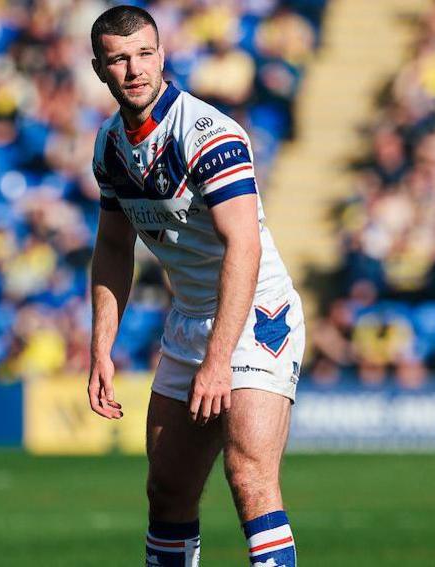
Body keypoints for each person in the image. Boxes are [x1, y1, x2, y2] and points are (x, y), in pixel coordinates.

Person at [86, 6, 305, 566]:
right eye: (119, 59)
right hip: (189, 318)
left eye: (144, 54)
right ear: (99, 69)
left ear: (161, 55)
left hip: (257, 313)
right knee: (168, 491)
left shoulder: (209, 134)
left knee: (248, 476)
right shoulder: (110, 146)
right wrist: (101, 349)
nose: (134, 70)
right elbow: (113, 247)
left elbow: (245, 247)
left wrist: (218, 360)